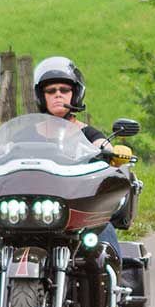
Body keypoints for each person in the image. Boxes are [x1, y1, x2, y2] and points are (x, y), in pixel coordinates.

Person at [31, 56, 128, 251]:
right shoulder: (27, 133)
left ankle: (114, 279)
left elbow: (103, 146)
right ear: (42, 97)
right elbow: (1, 150)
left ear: (75, 94)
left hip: (77, 204)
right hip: (33, 205)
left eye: (64, 90)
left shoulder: (87, 133)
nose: (58, 94)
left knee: (103, 230)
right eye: (50, 91)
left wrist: (113, 153)